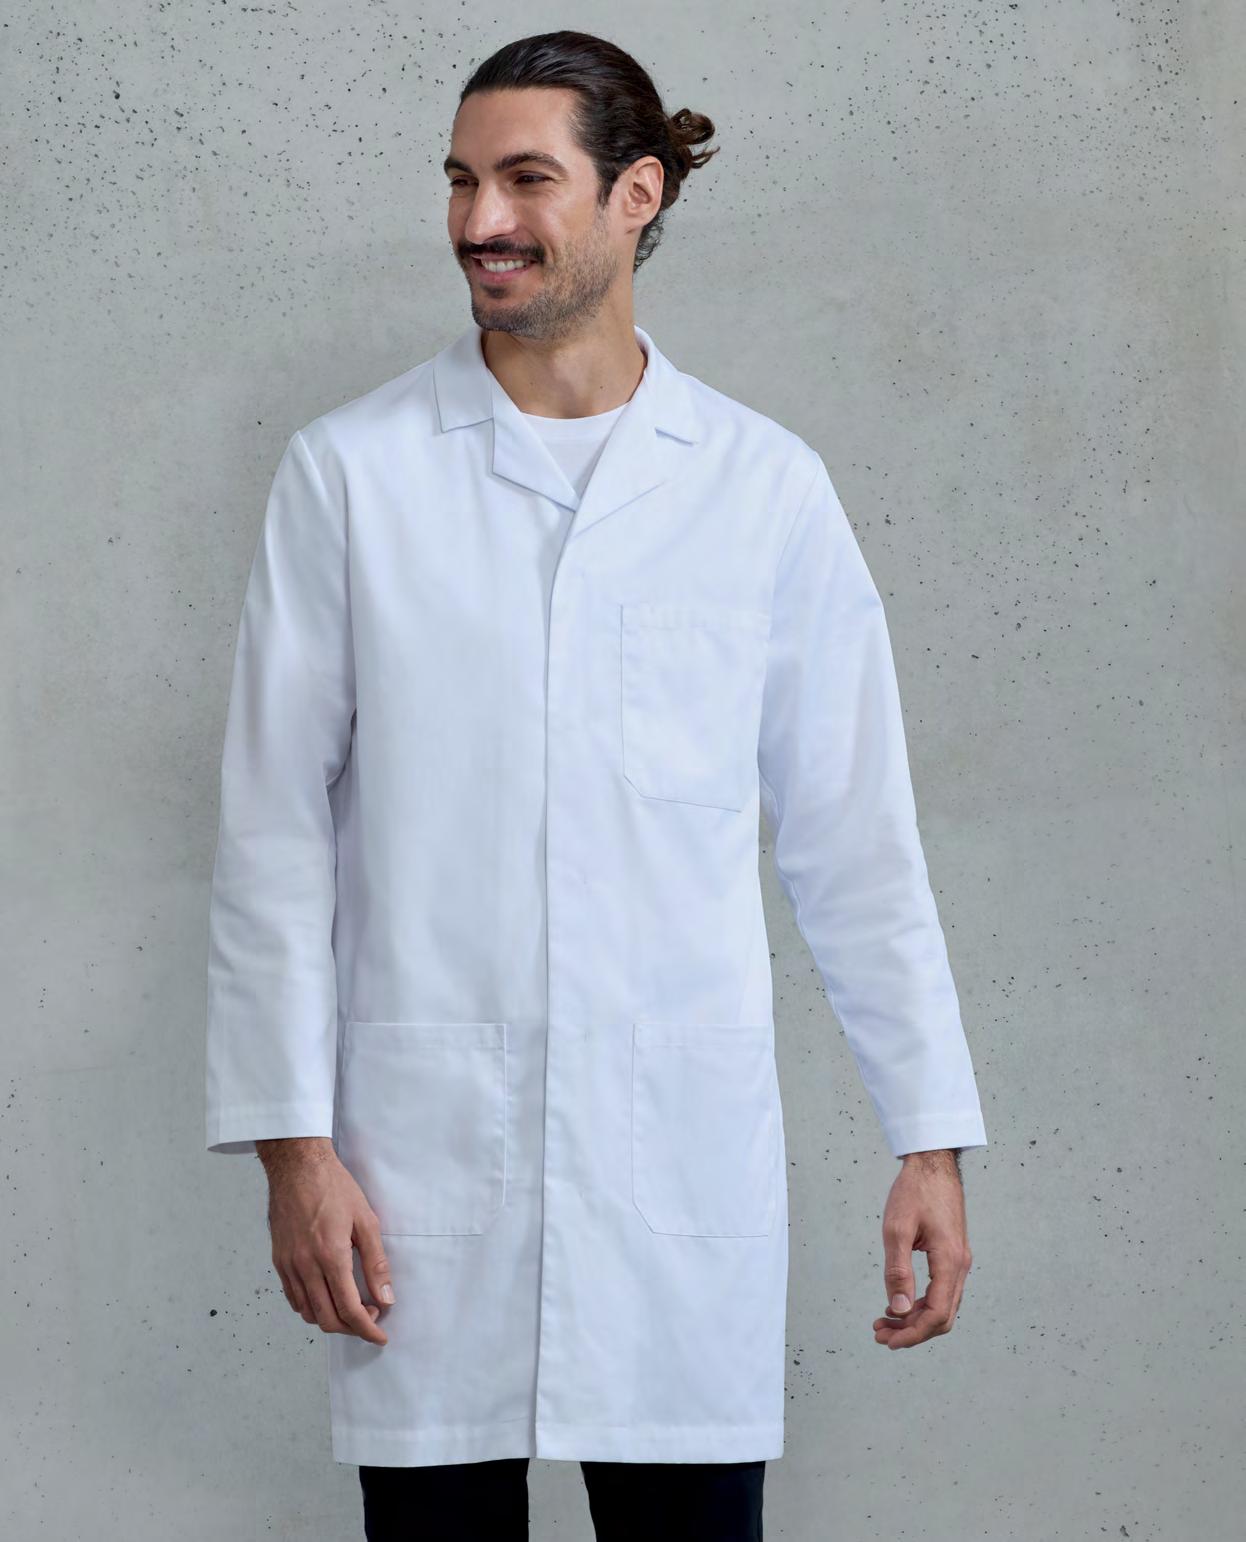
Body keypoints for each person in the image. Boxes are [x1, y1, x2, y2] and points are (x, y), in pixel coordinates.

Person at [205, 28, 988, 1542]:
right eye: (459, 181)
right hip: (421, 1164)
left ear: (637, 196)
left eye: (524, 180)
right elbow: (271, 838)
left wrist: (928, 1138)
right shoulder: (352, 475)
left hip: (673, 1162)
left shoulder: (760, 488)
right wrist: (294, 1150)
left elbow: (855, 845)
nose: (479, 220)